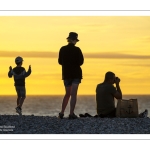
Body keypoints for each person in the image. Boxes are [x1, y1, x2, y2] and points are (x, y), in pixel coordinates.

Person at [58, 32, 84, 119]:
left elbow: (60, 62)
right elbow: (81, 62)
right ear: (74, 40)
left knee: (67, 94)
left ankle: (61, 113)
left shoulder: (62, 49)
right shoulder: (77, 50)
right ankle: (71, 113)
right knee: (73, 94)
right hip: (76, 74)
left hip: (66, 74)